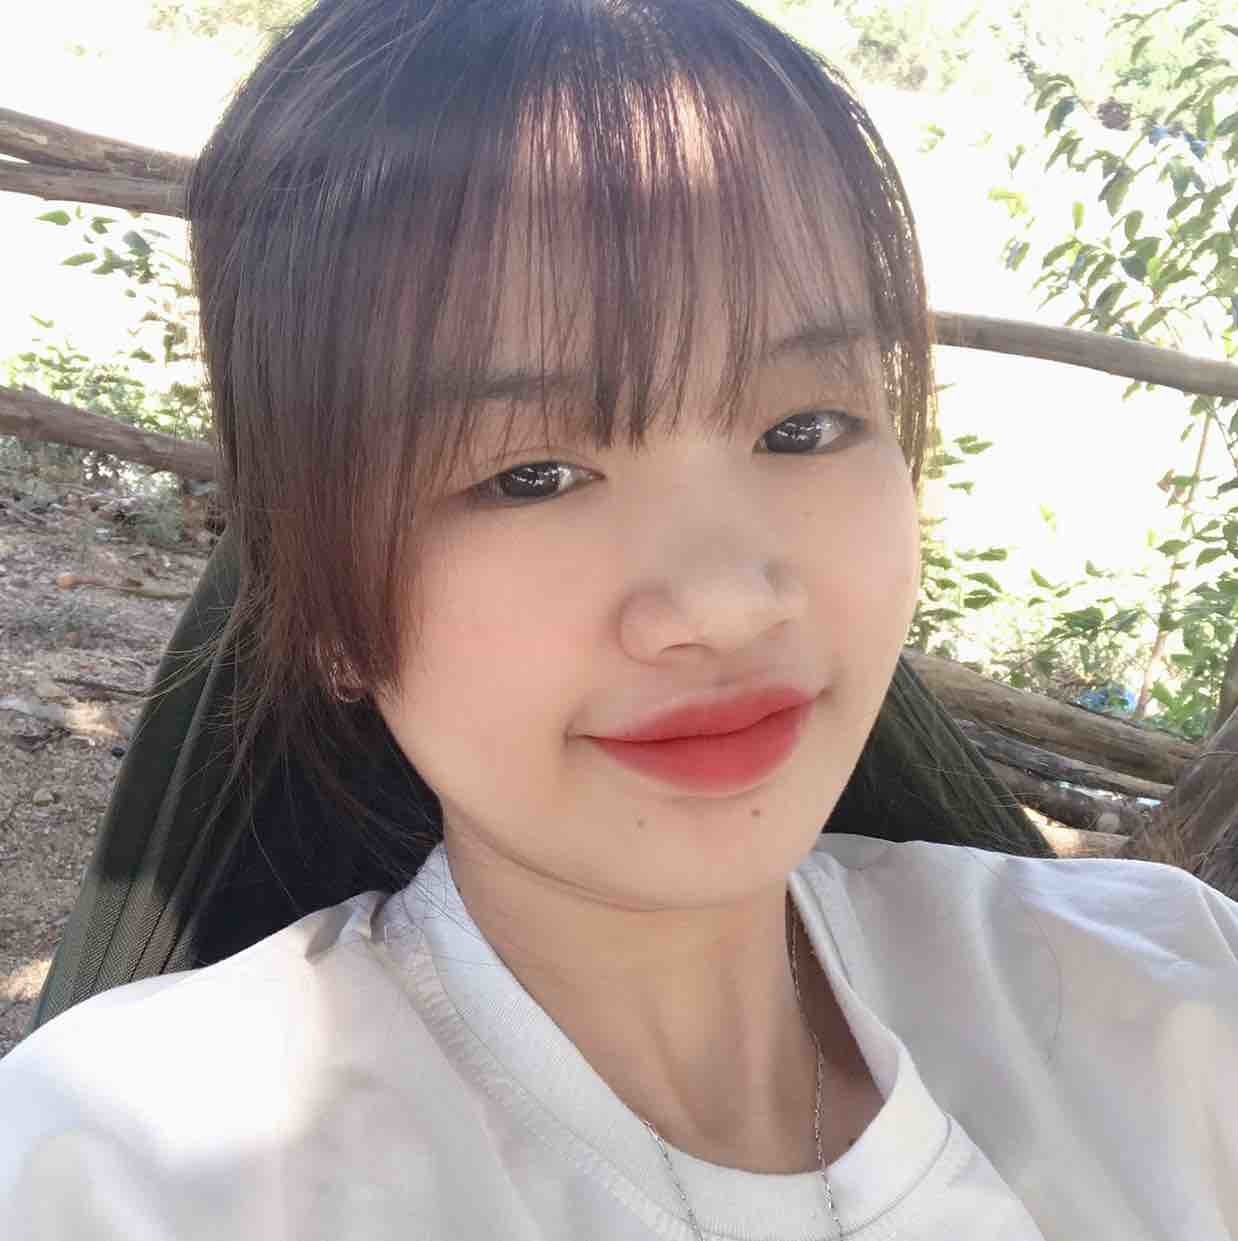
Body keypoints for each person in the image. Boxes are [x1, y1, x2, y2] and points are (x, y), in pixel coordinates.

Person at [2, 0, 1237, 1237]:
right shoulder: (125, 1173)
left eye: (802, 427)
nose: (727, 602)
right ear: (318, 598)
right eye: (529, 475)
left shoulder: (1170, 996)